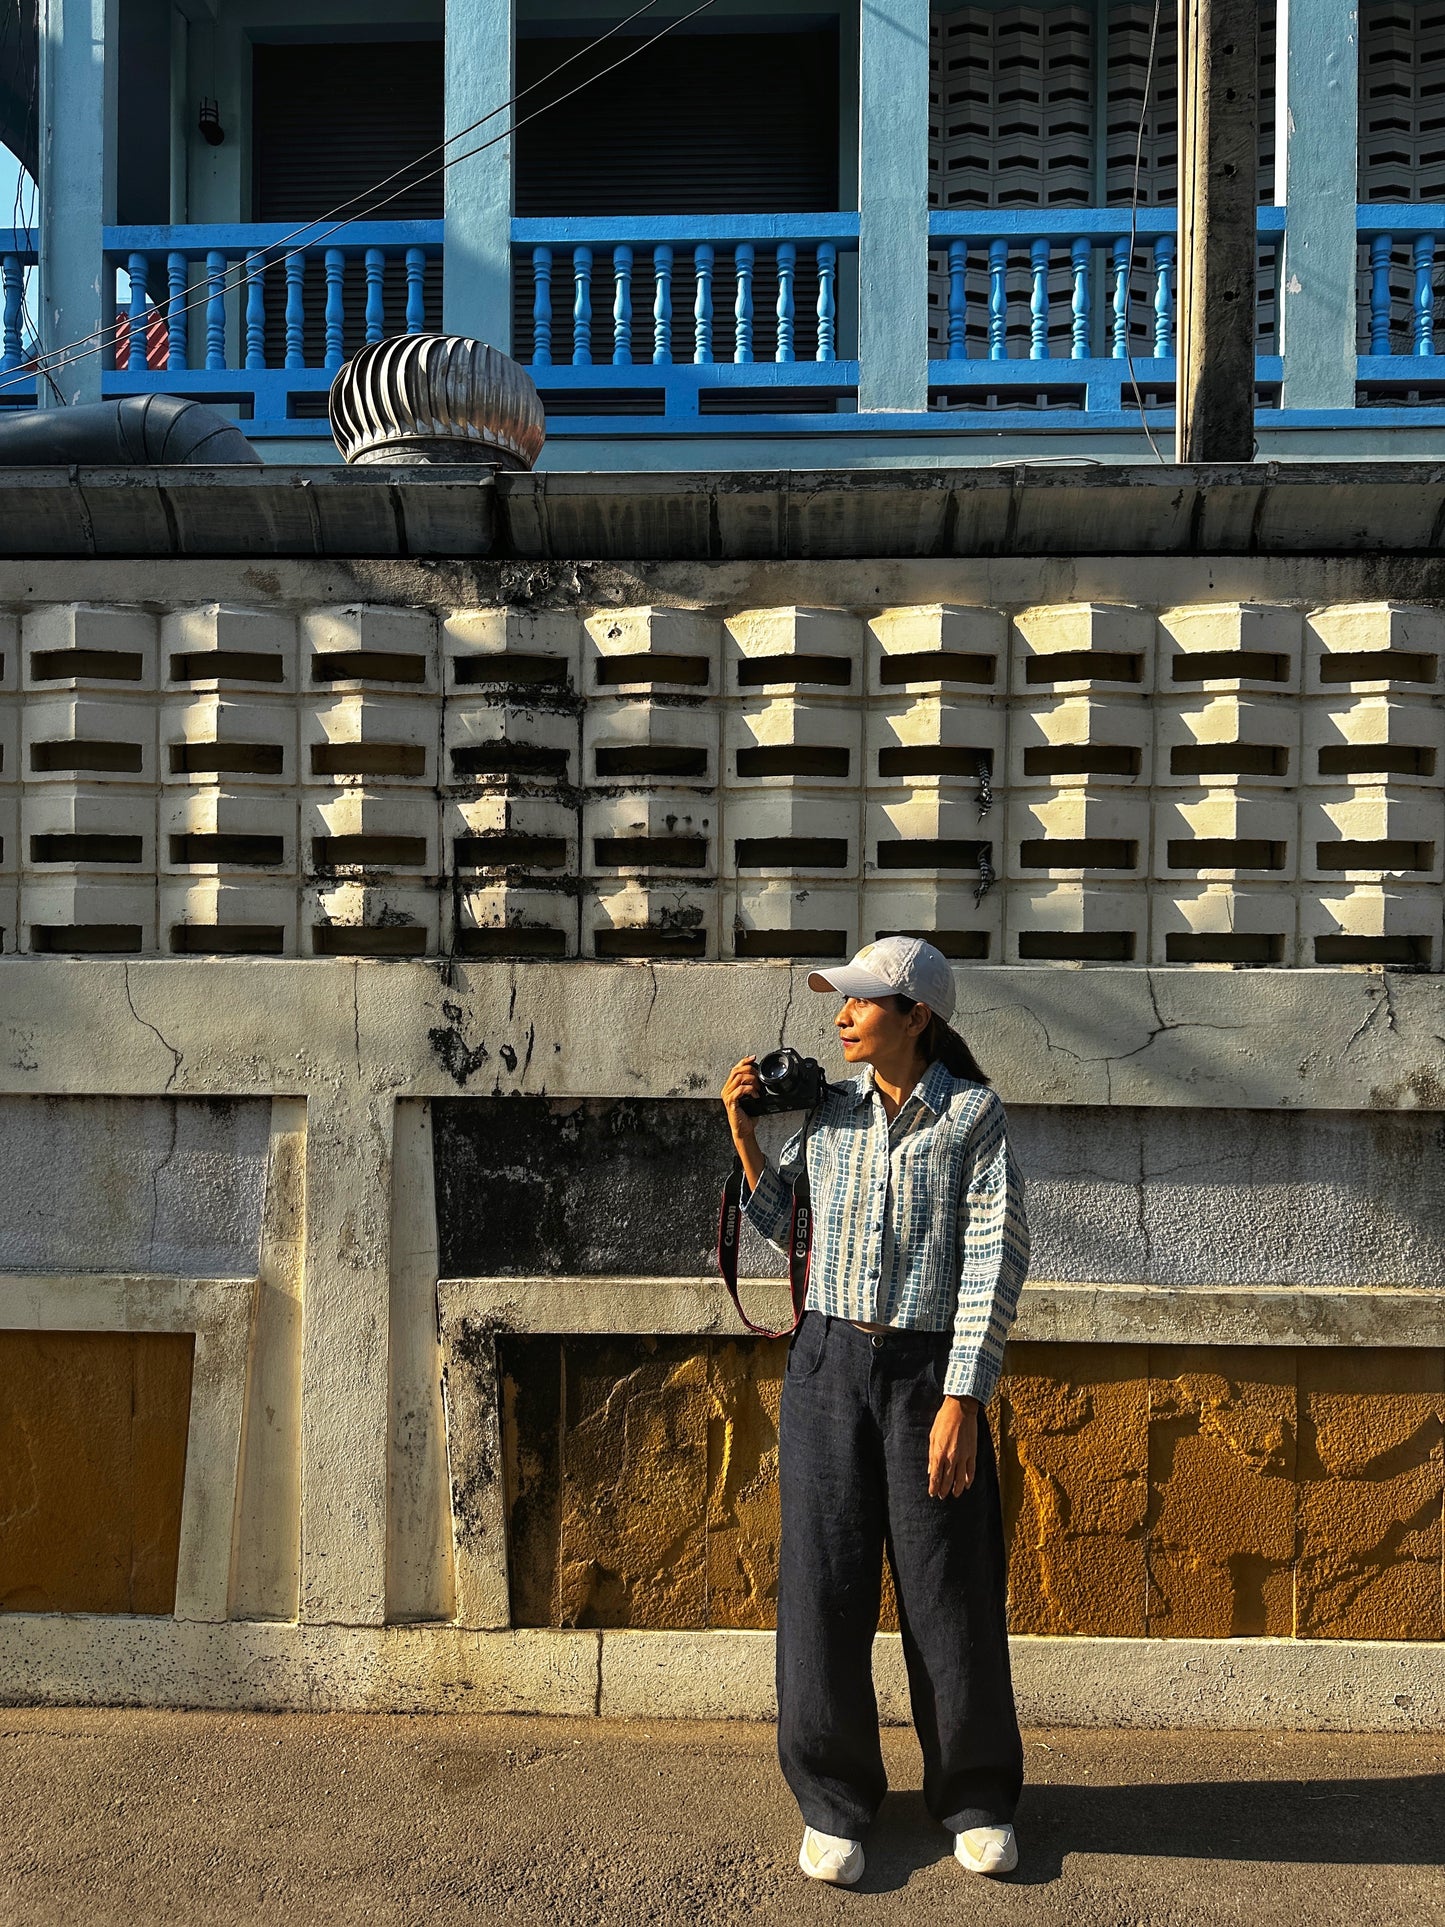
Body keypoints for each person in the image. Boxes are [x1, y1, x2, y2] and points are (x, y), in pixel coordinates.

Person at [719, 935, 1030, 1888]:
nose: (841, 1017)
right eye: (841, 1003)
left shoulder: (972, 1118)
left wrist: (962, 1397)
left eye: (859, 1004)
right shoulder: (832, 1115)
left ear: (915, 1015)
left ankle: (973, 1795)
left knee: (948, 1585)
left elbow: (996, 1258)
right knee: (822, 1582)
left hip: (925, 1373)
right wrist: (743, 1135)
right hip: (823, 1364)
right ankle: (832, 1799)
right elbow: (785, 1226)